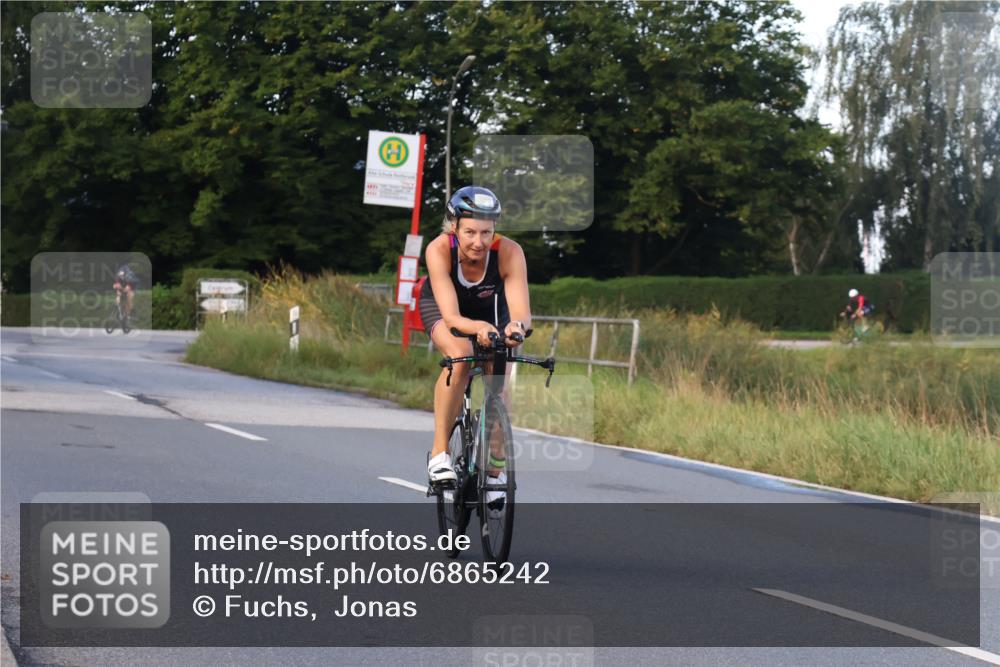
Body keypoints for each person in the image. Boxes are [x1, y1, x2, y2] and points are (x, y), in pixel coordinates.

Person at [419, 186, 531, 513]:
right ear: (454, 227)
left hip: (492, 313)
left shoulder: (510, 252)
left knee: (500, 389)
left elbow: (522, 312)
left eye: (486, 232)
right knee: (460, 358)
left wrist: (516, 329)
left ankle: (493, 476)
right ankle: (440, 453)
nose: (478, 242)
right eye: (469, 232)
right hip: (444, 309)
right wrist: (478, 329)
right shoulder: (439, 249)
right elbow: (452, 317)